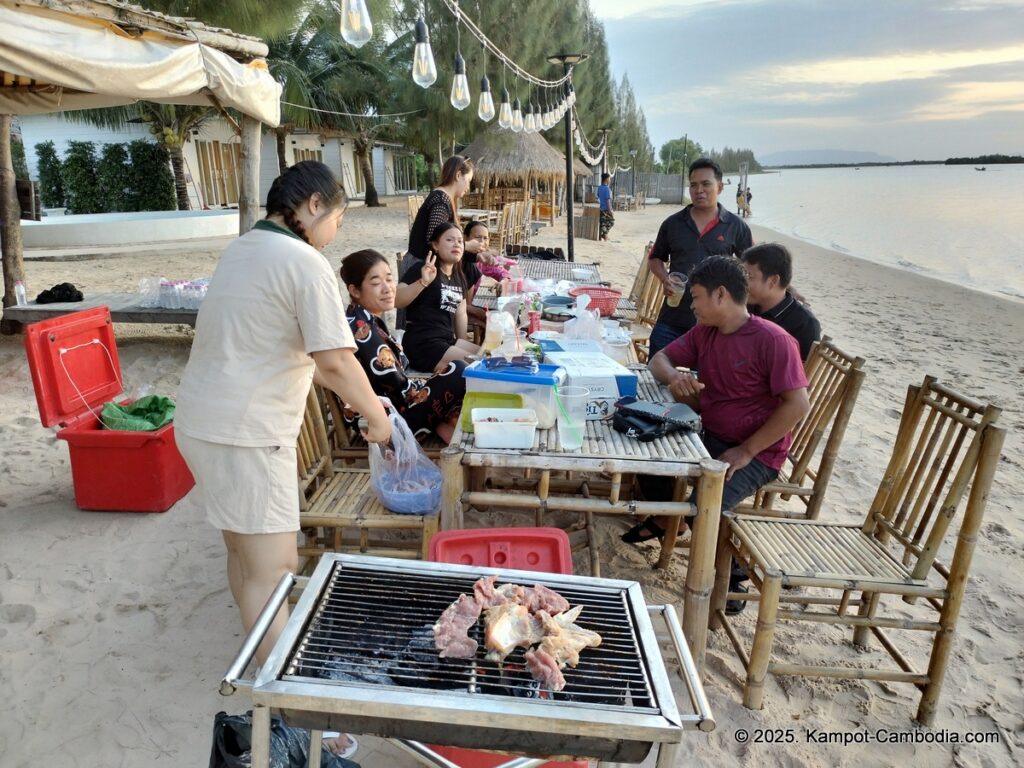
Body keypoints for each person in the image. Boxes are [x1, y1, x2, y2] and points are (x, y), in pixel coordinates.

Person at [174, 161, 391, 757]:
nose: (336, 234)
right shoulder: (304, 262)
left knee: (245, 560)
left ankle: (261, 671)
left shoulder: (243, 247)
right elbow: (336, 362)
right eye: (338, 219)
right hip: (247, 434)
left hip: (200, 423)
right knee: (273, 576)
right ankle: (290, 707)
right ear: (314, 205)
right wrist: (376, 419)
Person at [622, 256, 809, 614]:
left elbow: (798, 405)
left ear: (720, 294)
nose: (691, 306)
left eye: (695, 297)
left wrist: (748, 450)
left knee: (705, 508)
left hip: (757, 451)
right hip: (709, 433)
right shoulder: (706, 331)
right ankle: (667, 520)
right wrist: (676, 379)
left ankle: (732, 577)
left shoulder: (773, 340)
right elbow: (659, 359)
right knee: (645, 453)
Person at [340, 249, 466, 444]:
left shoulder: (366, 320)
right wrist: (429, 387)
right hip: (385, 423)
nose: (387, 288)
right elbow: (396, 386)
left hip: (394, 408)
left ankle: (444, 427)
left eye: (389, 279)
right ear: (355, 290)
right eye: (375, 283)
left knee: (457, 379)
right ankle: (443, 429)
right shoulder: (361, 328)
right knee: (459, 370)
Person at [646, 158, 753, 358]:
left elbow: (751, 268)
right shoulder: (673, 223)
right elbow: (655, 259)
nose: (699, 190)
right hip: (672, 319)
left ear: (720, 187)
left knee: (706, 383)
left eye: (706, 184)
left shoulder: (736, 227)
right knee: (654, 374)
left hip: (713, 326)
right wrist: (664, 278)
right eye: (693, 185)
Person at [396, 222, 481, 372]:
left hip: (446, 341)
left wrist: (462, 342)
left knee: (490, 357)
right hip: (423, 342)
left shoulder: (459, 276)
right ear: (435, 245)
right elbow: (397, 300)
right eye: (449, 240)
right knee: (480, 365)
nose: (457, 244)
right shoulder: (423, 269)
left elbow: (460, 314)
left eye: (460, 241)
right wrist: (423, 282)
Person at [741, 243, 821, 360]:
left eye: (749, 277)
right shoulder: (743, 306)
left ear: (773, 281)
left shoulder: (805, 324)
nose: (743, 283)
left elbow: (801, 374)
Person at [406, 155, 474, 262]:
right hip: (421, 268)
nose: (468, 187)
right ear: (458, 175)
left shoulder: (442, 198)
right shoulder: (441, 201)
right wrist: (467, 245)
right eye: (468, 180)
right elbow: (434, 241)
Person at [598, 172, 615, 241]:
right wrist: (610, 210)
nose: (610, 180)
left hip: (601, 208)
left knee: (603, 222)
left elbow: (599, 197)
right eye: (609, 179)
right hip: (606, 209)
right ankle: (604, 235)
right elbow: (608, 201)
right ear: (606, 179)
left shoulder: (599, 188)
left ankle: (604, 235)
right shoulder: (607, 189)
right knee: (611, 221)